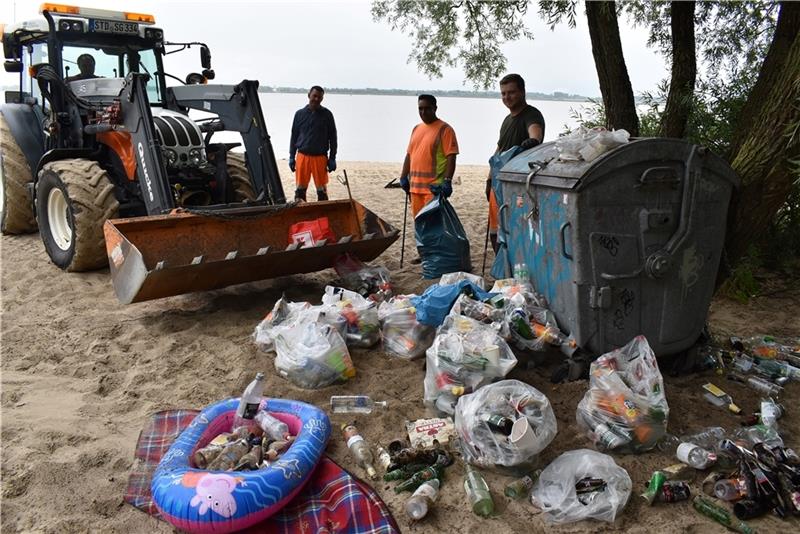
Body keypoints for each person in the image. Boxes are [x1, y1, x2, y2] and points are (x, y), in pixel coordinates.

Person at [487, 73, 545, 252]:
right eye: (503, 93)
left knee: (513, 228)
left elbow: (536, 133)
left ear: (522, 92)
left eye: (511, 92)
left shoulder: (531, 114)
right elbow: (499, 148)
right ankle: (501, 268)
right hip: (498, 181)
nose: (506, 97)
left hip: (516, 184)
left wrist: (533, 141)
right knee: (495, 229)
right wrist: (489, 178)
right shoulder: (507, 120)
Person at [399, 94, 459, 218]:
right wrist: (403, 177)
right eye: (420, 109)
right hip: (414, 189)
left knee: (432, 229)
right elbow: (409, 155)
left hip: (433, 190)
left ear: (435, 108)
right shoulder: (416, 129)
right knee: (419, 226)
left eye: (427, 108)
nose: (423, 112)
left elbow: (451, 157)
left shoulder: (445, 129)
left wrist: (447, 181)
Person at [289, 86, 338, 201]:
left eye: (319, 97)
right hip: (302, 156)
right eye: (314, 96)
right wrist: (291, 156)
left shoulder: (327, 115)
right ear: (309, 95)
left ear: (322, 99)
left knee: (322, 192)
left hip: (320, 158)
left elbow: (333, 138)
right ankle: (300, 214)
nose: (316, 99)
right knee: (300, 191)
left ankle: (323, 215)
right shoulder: (299, 114)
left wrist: (332, 158)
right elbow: (294, 136)